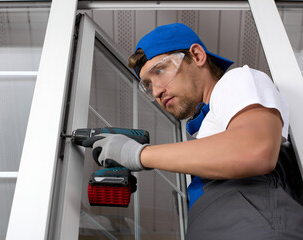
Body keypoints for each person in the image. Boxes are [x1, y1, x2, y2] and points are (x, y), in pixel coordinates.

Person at [90, 23, 303, 239]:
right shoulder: (210, 135)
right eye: (148, 85)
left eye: (160, 70)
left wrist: (137, 154)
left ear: (197, 55)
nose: (156, 92)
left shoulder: (236, 81)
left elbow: (255, 149)